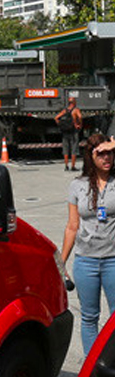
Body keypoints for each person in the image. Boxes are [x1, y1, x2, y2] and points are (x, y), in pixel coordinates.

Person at [60, 133, 115, 355]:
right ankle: (93, 370)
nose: (106, 158)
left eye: (110, 152)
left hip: (113, 259)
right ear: (91, 157)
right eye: (100, 153)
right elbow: (72, 226)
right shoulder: (78, 185)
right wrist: (61, 262)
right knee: (89, 317)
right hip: (86, 262)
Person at [55, 96, 84, 171]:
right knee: (74, 149)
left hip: (65, 132)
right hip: (73, 132)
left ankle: (66, 166)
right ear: (74, 102)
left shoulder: (65, 110)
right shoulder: (76, 110)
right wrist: (79, 124)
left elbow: (56, 118)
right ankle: (73, 166)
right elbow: (80, 117)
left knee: (66, 149)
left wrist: (61, 125)